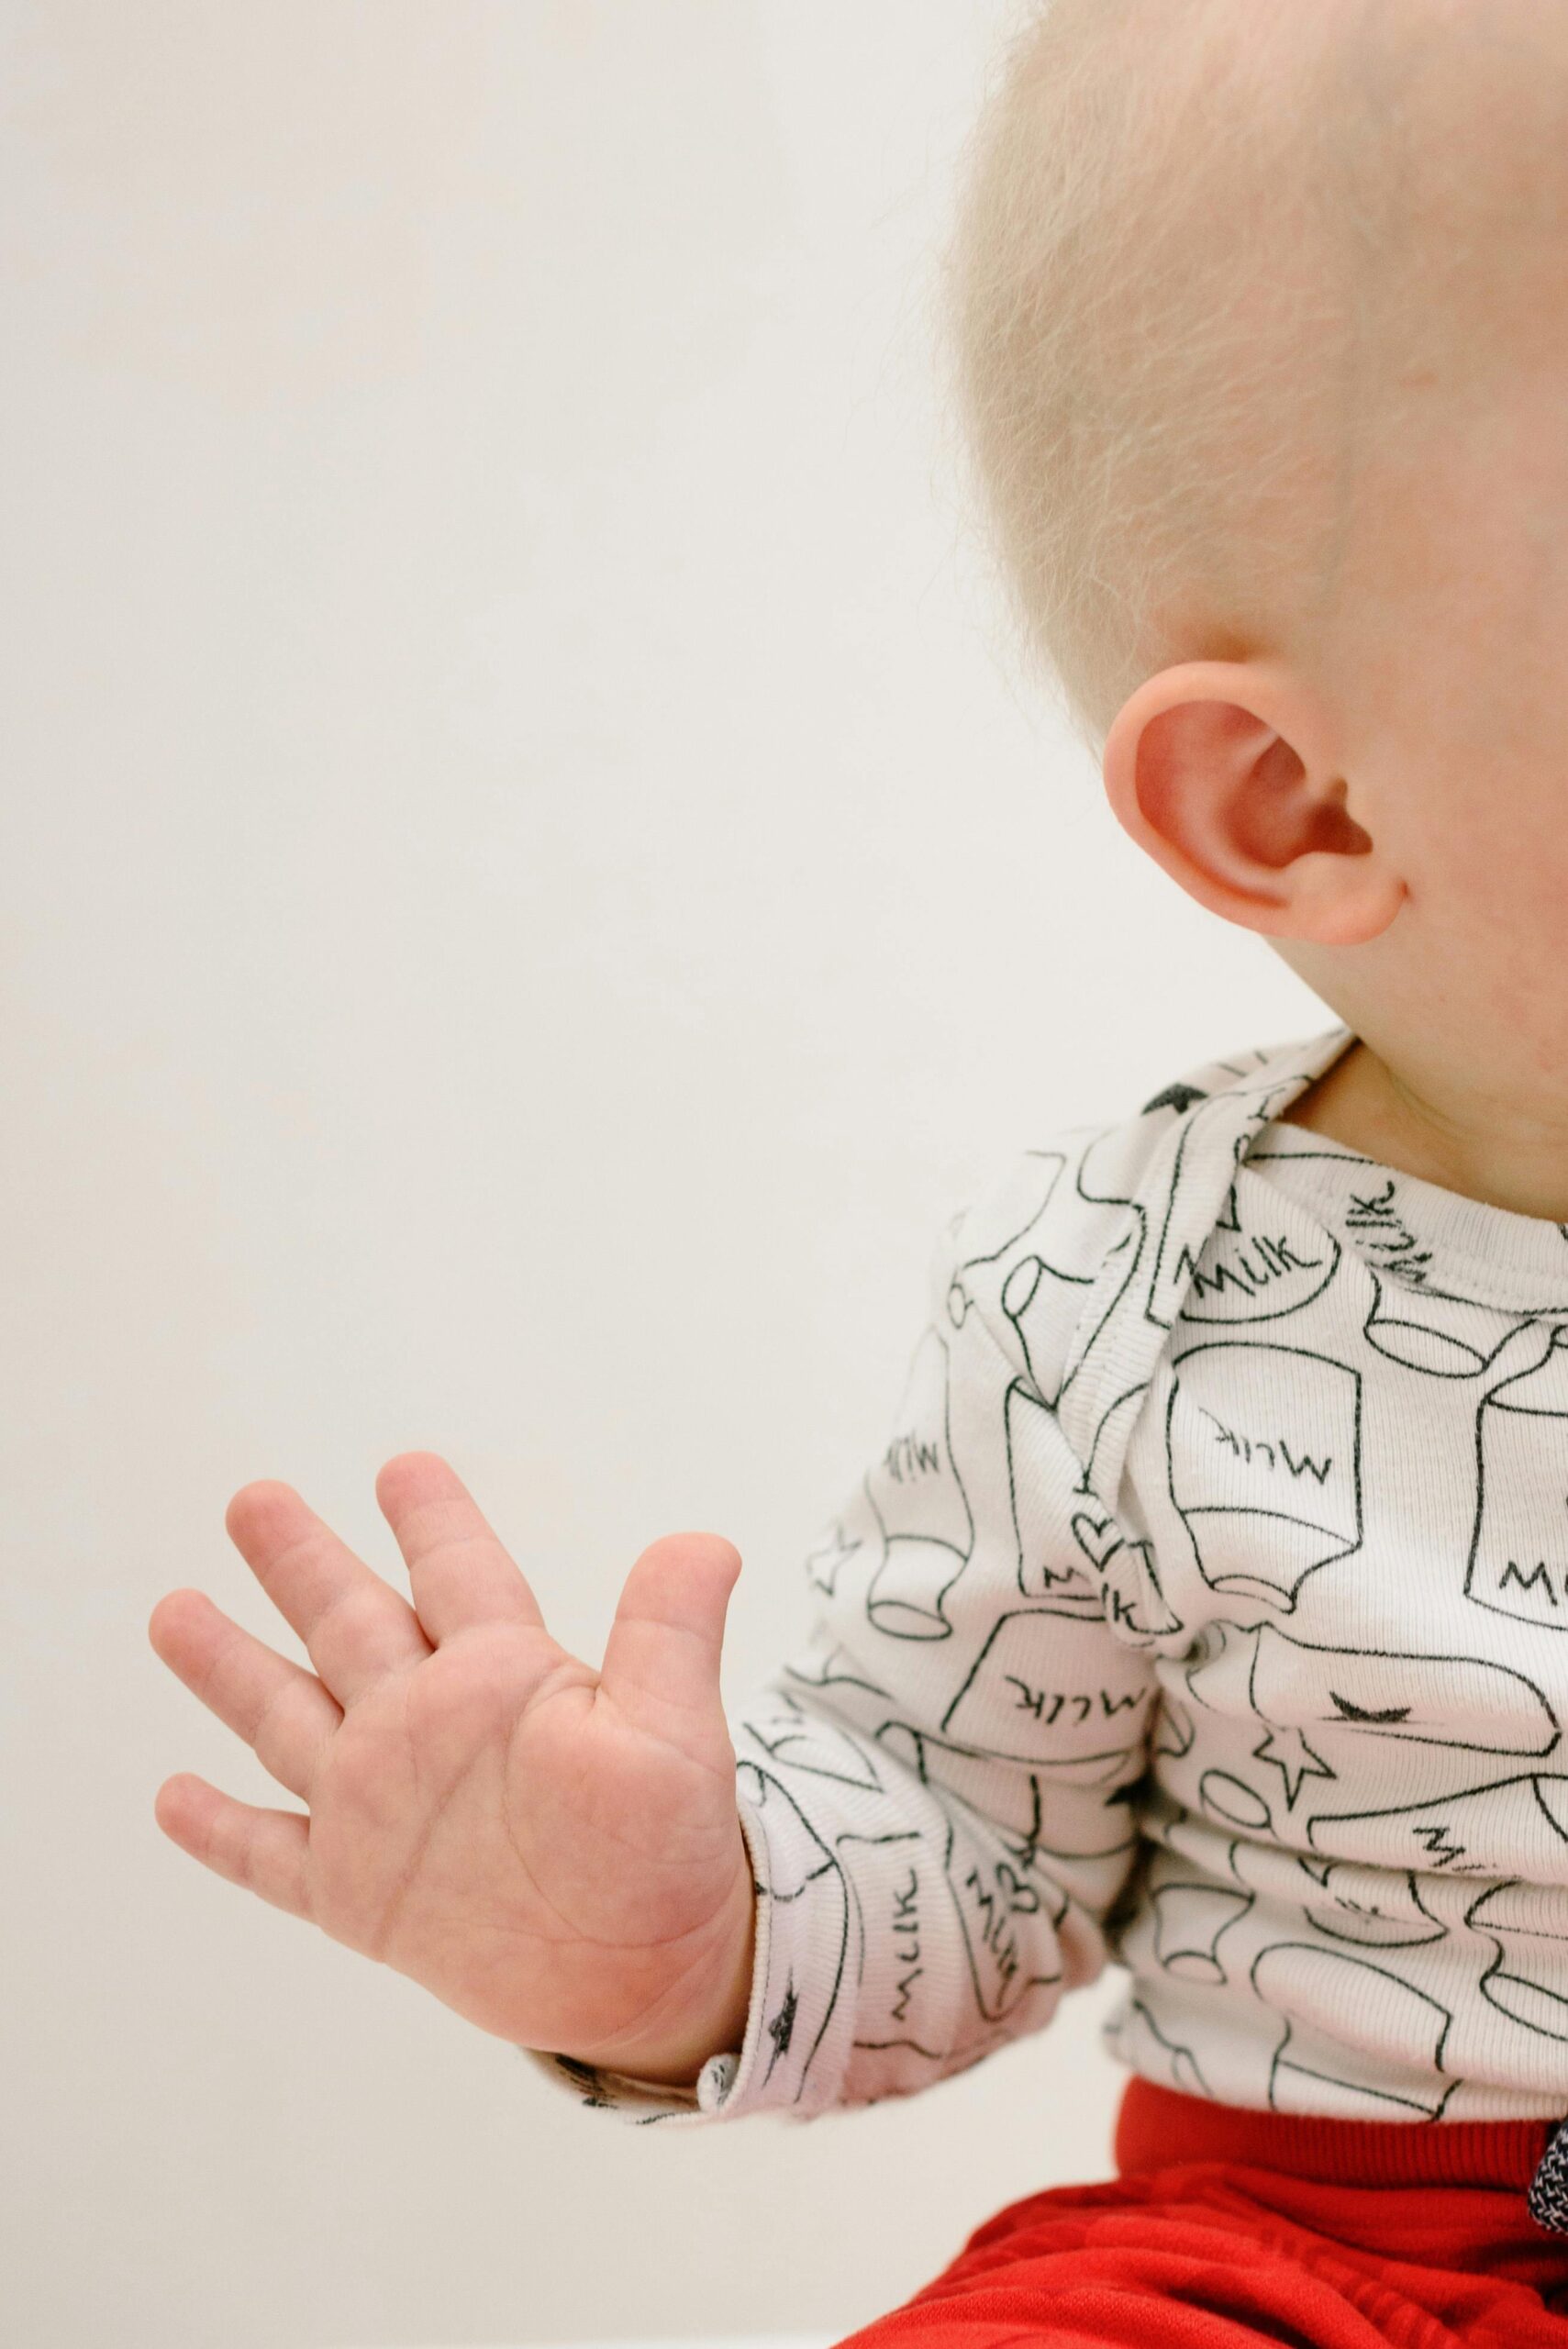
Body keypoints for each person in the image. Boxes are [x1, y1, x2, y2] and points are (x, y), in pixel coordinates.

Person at [147, 0, 1568, 2337]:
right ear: (1299, 806)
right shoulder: (1126, 1297)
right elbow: (970, 1841)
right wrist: (695, 1936)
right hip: (1329, 2251)